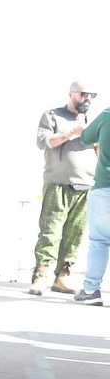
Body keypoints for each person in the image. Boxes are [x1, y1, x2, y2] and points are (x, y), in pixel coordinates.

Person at [30, 81, 95, 294]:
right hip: (57, 183)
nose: (87, 98)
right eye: (84, 94)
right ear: (71, 94)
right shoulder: (53, 116)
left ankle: (63, 277)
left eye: (91, 95)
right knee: (50, 232)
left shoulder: (93, 121)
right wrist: (71, 132)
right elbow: (43, 141)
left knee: (75, 235)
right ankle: (40, 277)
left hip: (86, 186)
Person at [73, 103, 108, 306]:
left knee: (99, 242)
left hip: (104, 187)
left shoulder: (107, 115)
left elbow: (86, 138)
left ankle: (91, 290)